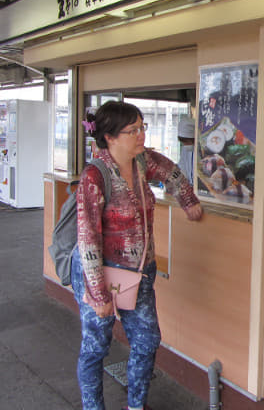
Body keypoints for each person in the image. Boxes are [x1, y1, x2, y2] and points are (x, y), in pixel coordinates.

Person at [72, 101, 202, 410]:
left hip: (139, 271)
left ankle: (136, 406)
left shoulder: (143, 162)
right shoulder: (95, 175)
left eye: (143, 127)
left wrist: (189, 201)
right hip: (99, 273)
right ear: (110, 137)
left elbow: (173, 173)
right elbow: (88, 238)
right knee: (95, 347)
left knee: (146, 341)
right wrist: (99, 294)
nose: (142, 134)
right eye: (134, 130)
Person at [177, 114, 195, 182]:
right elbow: (182, 165)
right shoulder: (185, 149)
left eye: (187, 142)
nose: (185, 145)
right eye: (183, 142)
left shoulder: (201, 150)